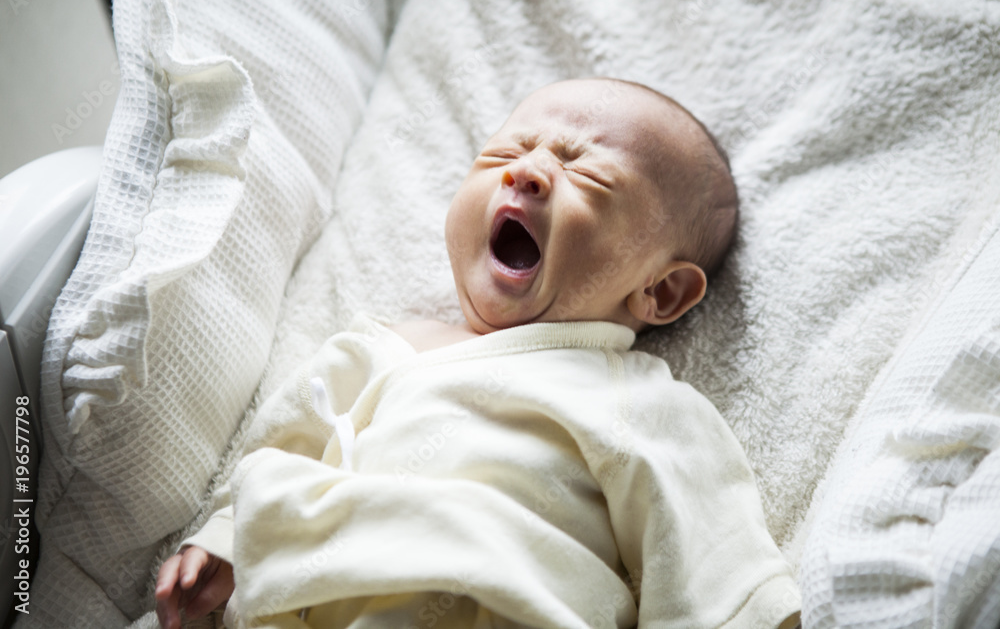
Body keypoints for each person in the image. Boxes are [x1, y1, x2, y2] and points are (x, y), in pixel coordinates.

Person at [155, 78, 801, 628]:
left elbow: (712, 562)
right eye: (505, 152)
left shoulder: (639, 399)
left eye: (587, 171)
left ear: (659, 289)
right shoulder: (388, 345)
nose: (528, 170)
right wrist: (223, 539)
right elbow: (282, 447)